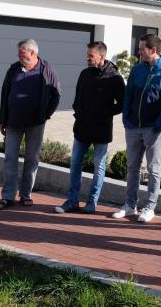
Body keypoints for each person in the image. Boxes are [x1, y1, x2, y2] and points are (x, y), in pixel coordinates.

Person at [112, 33, 161, 223]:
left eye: (142, 49)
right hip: (133, 127)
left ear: (153, 50)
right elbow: (128, 95)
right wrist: (126, 119)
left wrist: (158, 127)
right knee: (132, 167)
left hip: (153, 130)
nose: (139, 52)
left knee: (153, 169)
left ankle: (149, 208)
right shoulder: (137, 69)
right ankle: (129, 205)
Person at [55, 41, 125, 214]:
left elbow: (123, 104)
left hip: (101, 129)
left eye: (91, 56)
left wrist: (104, 112)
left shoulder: (114, 78)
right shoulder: (84, 74)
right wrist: (79, 113)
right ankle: (72, 201)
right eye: (87, 55)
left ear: (101, 57)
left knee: (99, 166)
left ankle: (92, 202)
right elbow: (77, 97)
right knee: (75, 163)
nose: (87, 58)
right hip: (82, 128)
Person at [0, 39, 61, 209]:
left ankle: (26, 195)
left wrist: (46, 114)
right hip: (13, 121)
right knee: (10, 158)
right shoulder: (14, 69)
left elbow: (56, 95)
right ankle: (8, 196)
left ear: (32, 53)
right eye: (18, 52)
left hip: (35, 123)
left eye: (21, 52)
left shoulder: (46, 69)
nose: (18, 55)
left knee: (32, 159)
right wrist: (2, 119)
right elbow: (5, 93)